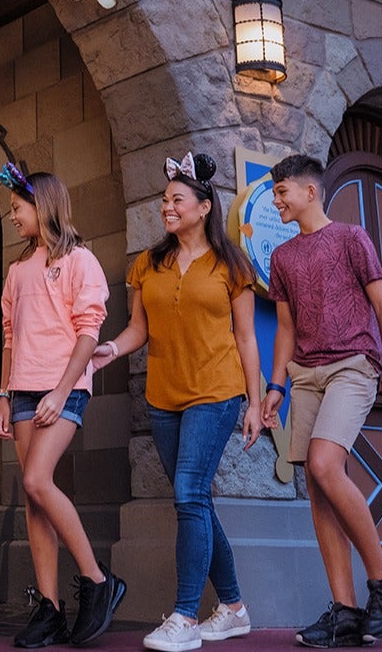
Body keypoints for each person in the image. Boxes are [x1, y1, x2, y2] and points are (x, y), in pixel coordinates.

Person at [88, 153, 262, 652]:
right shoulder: (148, 263)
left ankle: (185, 616)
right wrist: (111, 349)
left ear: (203, 207)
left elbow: (247, 339)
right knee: (196, 500)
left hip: (217, 391)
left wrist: (254, 402)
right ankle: (232, 607)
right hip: (164, 397)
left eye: (176, 200)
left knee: (188, 495)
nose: (166, 207)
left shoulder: (232, 265)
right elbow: (139, 328)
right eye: (165, 200)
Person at [257, 155, 382, 648]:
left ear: (310, 191)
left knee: (326, 464)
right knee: (318, 488)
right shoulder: (282, 259)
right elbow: (284, 329)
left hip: (353, 365)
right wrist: (275, 387)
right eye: (274, 193)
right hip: (304, 376)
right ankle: (345, 610)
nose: (277, 200)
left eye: (283, 191)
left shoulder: (351, 238)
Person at [0, 163, 126, 648]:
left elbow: (89, 332)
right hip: (24, 389)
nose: (13, 217)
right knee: (33, 496)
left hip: (63, 387)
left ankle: (96, 580)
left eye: (17, 208)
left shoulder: (80, 261)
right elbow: (9, 337)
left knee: (36, 479)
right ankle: (48, 608)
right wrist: (5, 395)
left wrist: (62, 390)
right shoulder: (16, 270)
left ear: (43, 205)